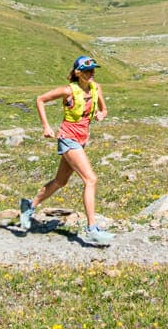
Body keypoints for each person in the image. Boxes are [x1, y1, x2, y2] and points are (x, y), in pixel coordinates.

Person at [20, 55, 113, 245]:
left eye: (93, 69)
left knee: (60, 181)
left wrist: (101, 114)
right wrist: (46, 126)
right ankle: (92, 228)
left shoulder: (96, 88)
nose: (92, 73)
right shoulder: (68, 90)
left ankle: (28, 206)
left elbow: (104, 109)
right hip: (68, 139)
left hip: (81, 139)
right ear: (78, 73)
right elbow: (40, 99)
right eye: (87, 70)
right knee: (90, 179)